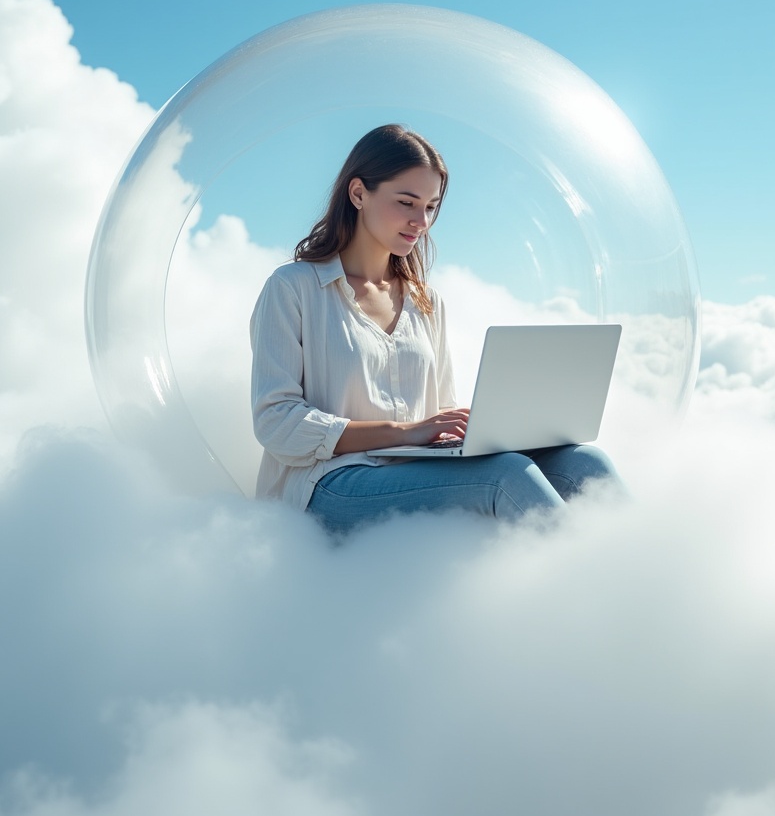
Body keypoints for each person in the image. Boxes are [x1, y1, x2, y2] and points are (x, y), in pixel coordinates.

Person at [249, 124, 620, 534]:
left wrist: (468, 432)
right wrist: (403, 432)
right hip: (325, 484)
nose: (420, 220)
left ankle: (644, 585)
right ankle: (599, 594)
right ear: (358, 194)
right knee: (506, 476)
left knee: (587, 464)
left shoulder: (426, 301)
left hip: (415, 471)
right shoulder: (293, 288)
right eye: (407, 202)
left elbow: (438, 412)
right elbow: (276, 422)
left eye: (430, 206)